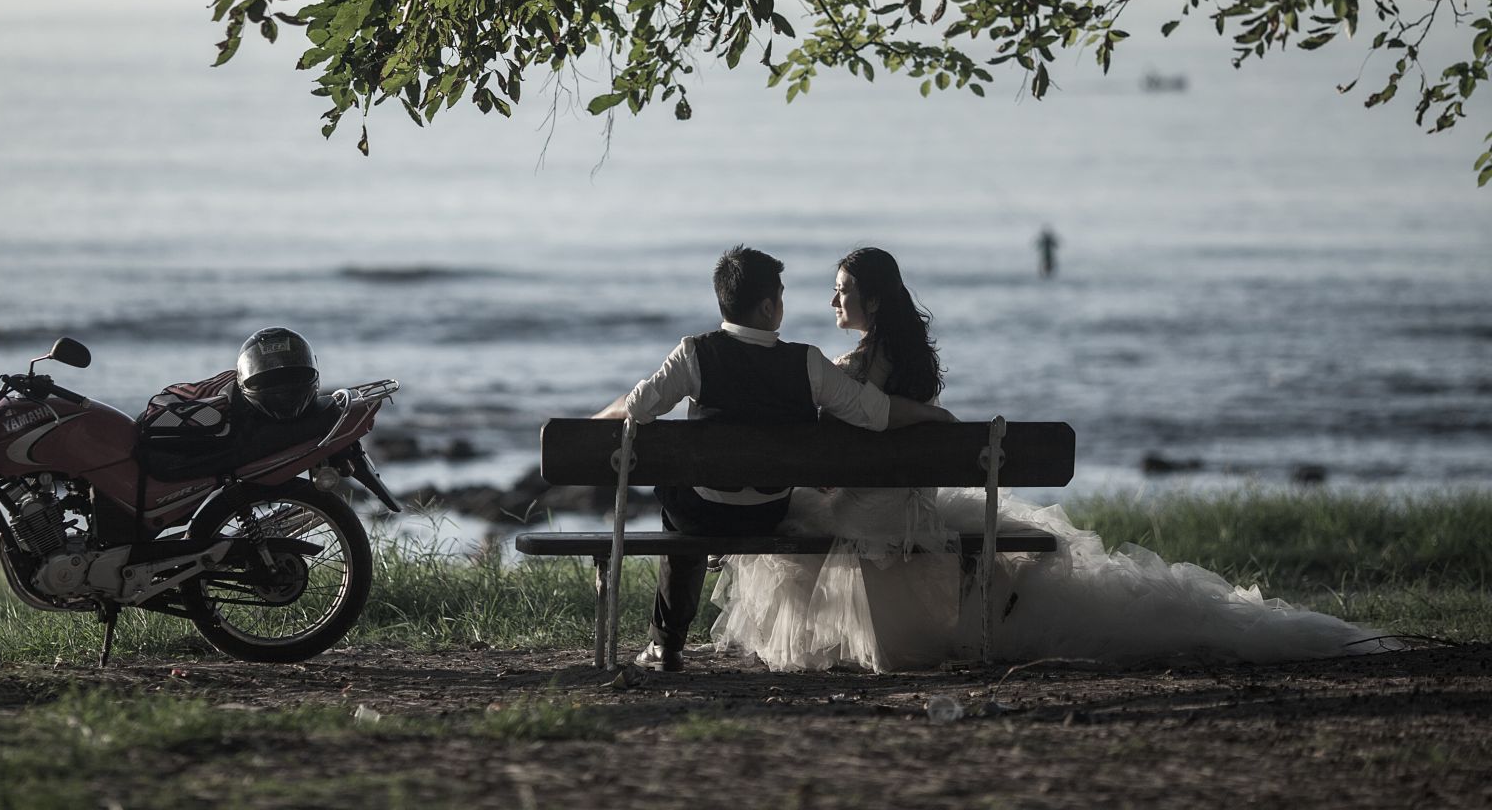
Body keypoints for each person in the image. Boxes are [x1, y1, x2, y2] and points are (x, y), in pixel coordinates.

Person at [709, 248, 1390, 671]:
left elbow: (827, 441)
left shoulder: (850, 368)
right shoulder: (908, 363)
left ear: (873, 299)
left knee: (785, 523)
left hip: (869, 516)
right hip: (906, 510)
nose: (833, 300)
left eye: (841, 290)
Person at [593, 246, 955, 671]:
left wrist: (589, 422)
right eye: (781, 296)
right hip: (768, 511)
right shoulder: (808, 363)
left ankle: (666, 643)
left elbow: (637, 408)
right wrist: (934, 413)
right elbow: (876, 413)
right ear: (768, 307)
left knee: (675, 507)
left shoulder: (693, 354)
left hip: (704, 516)